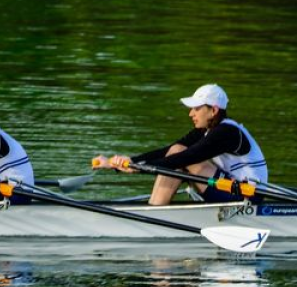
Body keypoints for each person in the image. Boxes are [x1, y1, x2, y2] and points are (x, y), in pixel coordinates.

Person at [93, 84, 267, 205]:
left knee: (181, 157)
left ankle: (154, 212)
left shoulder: (227, 133)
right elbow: (168, 152)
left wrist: (137, 167)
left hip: (247, 197)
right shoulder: (207, 129)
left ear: (213, 110)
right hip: (230, 189)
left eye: (196, 108)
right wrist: (124, 162)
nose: (191, 113)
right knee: (176, 151)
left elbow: (187, 157)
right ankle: (154, 210)